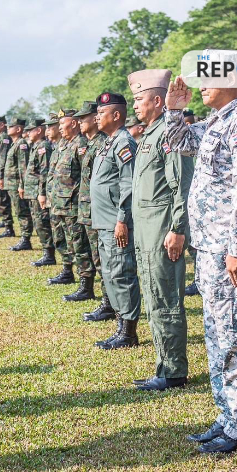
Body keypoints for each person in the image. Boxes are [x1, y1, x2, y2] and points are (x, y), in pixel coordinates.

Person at [165, 74, 237, 454]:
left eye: (211, 79)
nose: (202, 86)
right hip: (210, 250)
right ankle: (227, 416)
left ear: (234, 83)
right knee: (217, 336)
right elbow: (177, 143)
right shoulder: (217, 121)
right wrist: (174, 111)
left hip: (232, 253)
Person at [128, 69, 194, 390]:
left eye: (139, 99)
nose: (135, 105)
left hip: (162, 229)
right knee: (154, 296)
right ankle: (163, 365)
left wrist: (177, 228)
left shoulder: (168, 134)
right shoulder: (149, 134)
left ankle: (173, 371)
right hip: (145, 231)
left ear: (157, 100)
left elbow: (181, 184)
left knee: (166, 297)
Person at [90, 93, 142, 349]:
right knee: (111, 273)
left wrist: (123, 218)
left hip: (116, 222)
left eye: (102, 112)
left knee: (122, 274)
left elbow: (128, 184)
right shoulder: (108, 142)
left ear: (117, 115)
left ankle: (129, 332)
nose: (97, 116)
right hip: (105, 221)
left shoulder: (124, 142)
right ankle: (121, 327)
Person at [51, 109, 96, 301]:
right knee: (72, 245)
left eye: (63, 123)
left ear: (74, 124)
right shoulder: (67, 144)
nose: (60, 127)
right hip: (63, 204)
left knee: (81, 247)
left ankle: (86, 287)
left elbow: (87, 177)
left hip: (76, 206)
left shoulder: (81, 145)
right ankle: (78, 280)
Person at [76, 101, 114, 315]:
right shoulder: (90, 144)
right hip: (87, 209)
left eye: (84, 118)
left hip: (97, 211)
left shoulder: (102, 143)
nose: (81, 122)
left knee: (102, 258)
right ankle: (106, 299)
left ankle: (109, 303)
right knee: (94, 254)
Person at [43, 113, 75, 284]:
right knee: (60, 237)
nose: (48, 130)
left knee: (75, 242)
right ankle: (67, 270)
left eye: (52, 126)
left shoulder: (79, 145)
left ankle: (85, 280)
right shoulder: (60, 145)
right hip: (57, 201)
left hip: (70, 203)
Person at [23, 119, 56, 266]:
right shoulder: (36, 146)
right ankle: (46, 252)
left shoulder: (43, 146)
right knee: (38, 221)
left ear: (38, 130)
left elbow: (44, 171)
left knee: (42, 222)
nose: (27, 133)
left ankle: (49, 254)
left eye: (30, 130)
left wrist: (42, 193)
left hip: (38, 192)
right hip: (33, 191)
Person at [0, 117, 34, 251]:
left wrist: (22, 185)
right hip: (12, 184)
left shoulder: (21, 144)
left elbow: (23, 167)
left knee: (22, 212)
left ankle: (26, 239)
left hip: (16, 184)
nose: (8, 128)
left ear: (18, 129)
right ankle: (24, 237)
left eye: (11, 126)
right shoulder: (15, 143)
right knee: (18, 211)